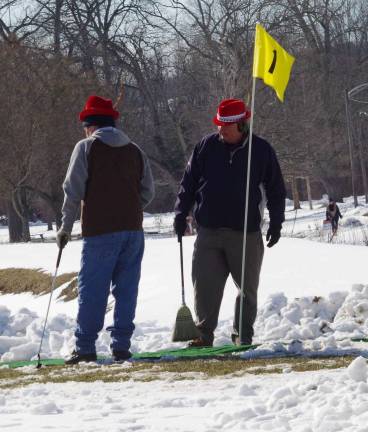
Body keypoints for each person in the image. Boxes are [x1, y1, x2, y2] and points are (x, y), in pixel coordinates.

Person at [173, 98, 286, 347]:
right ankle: (203, 335)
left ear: (242, 125)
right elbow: (188, 182)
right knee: (204, 286)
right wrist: (181, 213)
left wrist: (277, 221)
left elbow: (276, 189)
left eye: (226, 125)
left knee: (247, 289)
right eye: (219, 125)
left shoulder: (261, 150)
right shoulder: (206, 146)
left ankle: (242, 335)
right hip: (209, 231)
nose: (221, 130)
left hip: (245, 232)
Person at [57, 95, 154, 364]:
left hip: (99, 231)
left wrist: (65, 227)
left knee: (93, 290)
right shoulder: (135, 150)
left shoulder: (86, 147)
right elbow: (148, 191)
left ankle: (86, 347)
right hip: (133, 231)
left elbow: (72, 190)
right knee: (127, 289)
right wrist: (130, 207)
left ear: (90, 125)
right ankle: (121, 346)